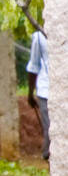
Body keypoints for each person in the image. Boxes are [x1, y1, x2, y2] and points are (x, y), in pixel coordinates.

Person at [27, 27, 50, 160]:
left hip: (52, 90)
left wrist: (30, 94)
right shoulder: (39, 36)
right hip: (45, 90)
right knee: (50, 130)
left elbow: (33, 67)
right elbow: (34, 66)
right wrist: (31, 92)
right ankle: (49, 158)